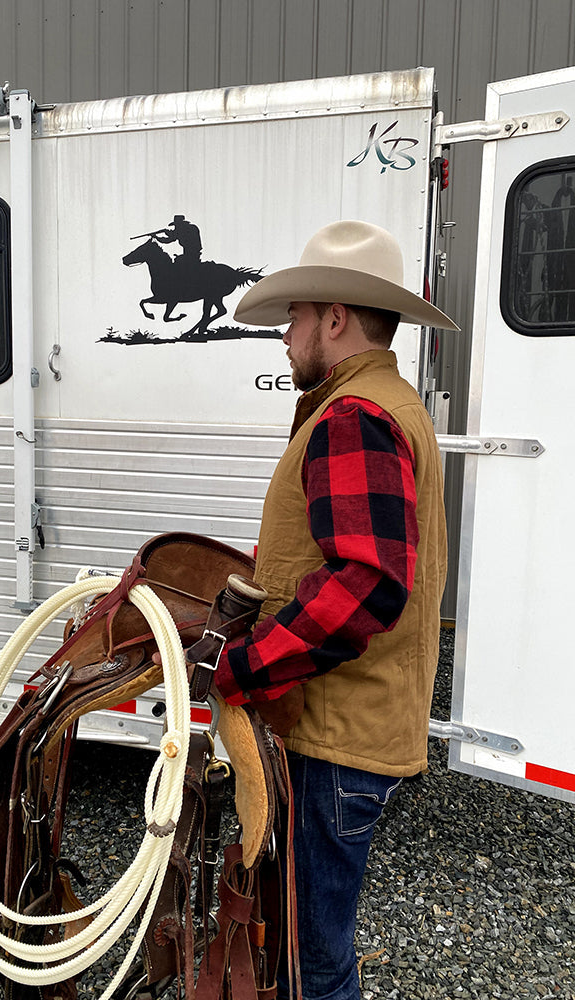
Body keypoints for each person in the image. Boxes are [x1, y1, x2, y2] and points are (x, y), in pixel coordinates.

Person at [211, 220, 459, 1000]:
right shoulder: (387, 401)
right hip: (350, 726)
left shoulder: (352, 415)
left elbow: (366, 581)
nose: (286, 336)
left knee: (313, 964)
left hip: (335, 735)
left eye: (295, 317)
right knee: (304, 949)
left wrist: (244, 666)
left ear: (336, 318)